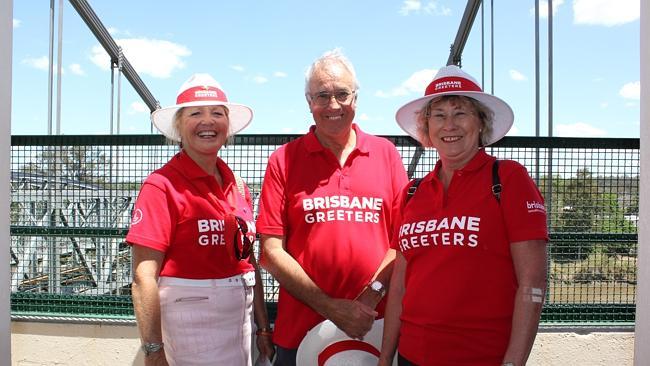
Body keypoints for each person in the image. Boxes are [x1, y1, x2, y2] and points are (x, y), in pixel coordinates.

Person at [379, 65, 548, 366]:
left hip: (482, 357)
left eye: (461, 113)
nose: (449, 125)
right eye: (439, 115)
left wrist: (512, 363)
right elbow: (400, 287)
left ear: (481, 123)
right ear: (426, 128)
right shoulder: (412, 193)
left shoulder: (508, 179)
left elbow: (532, 282)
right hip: (411, 356)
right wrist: (385, 359)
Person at [256, 49, 408, 365]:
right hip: (299, 331)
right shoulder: (283, 160)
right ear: (308, 102)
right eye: (322, 96)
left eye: (342, 94)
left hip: (375, 326)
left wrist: (370, 297)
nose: (333, 105)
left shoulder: (387, 154)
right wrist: (331, 307)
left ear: (357, 98)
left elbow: (401, 241)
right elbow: (271, 250)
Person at [128, 73, 274, 366]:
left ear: (227, 126)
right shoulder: (161, 186)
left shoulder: (239, 186)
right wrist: (153, 351)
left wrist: (263, 327)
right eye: (196, 113)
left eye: (217, 114)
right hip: (189, 334)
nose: (208, 122)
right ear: (179, 126)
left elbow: (249, 261)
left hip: (240, 330)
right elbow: (143, 277)